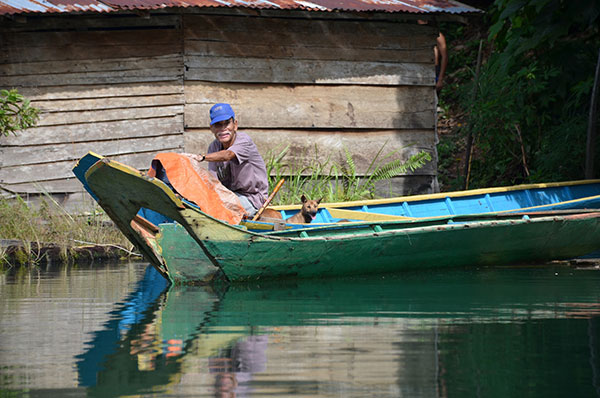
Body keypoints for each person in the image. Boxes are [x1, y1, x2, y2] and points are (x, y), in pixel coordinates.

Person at [197, 103, 269, 217]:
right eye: (218, 125)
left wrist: (202, 157)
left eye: (226, 123)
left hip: (253, 198)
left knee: (220, 208)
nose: (223, 129)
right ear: (212, 129)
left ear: (235, 125)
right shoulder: (214, 147)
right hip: (229, 196)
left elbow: (228, 155)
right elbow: (213, 181)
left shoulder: (244, 141)